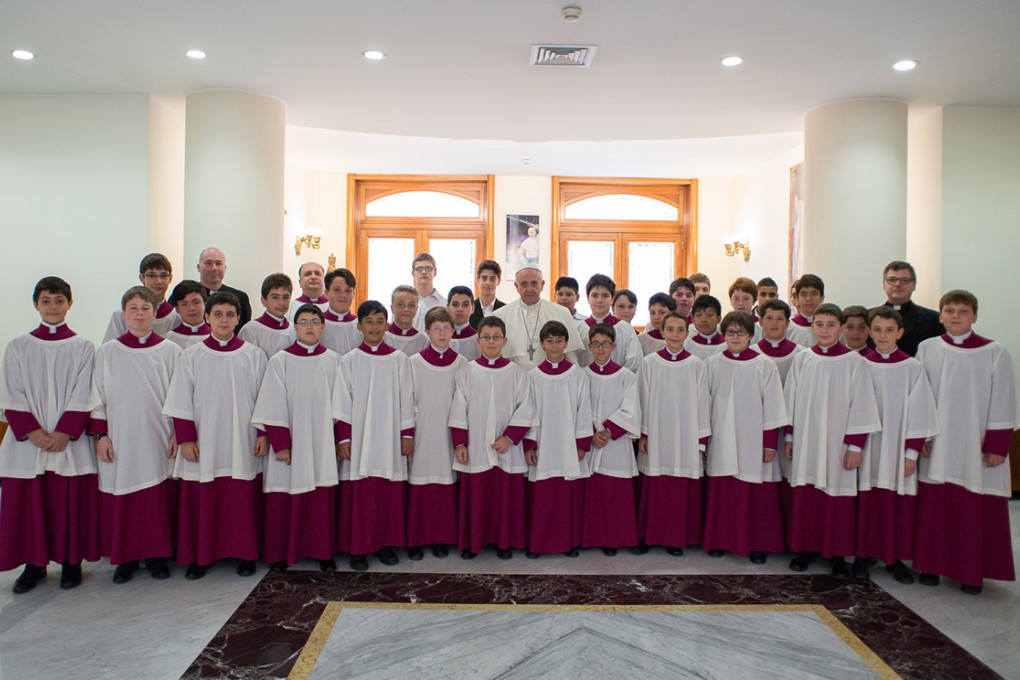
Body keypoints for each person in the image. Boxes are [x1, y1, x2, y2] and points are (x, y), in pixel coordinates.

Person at [0, 277, 99, 593]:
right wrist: (31, 431)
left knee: (68, 502)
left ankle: (71, 563)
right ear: (35, 304)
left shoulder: (83, 347)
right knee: (32, 504)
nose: (53, 306)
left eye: (59, 300)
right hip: (30, 443)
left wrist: (65, 432)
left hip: (66, 441)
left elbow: (85, 391)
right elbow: (10, 391)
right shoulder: (18, 347)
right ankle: (34, 565)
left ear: (69, 304)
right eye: (46, 300)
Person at [914, 290, 1017, 594]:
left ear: (974, 316)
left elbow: (1005, 400)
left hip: (978, 445)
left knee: (973, 508)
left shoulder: (994, 351)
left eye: (962, 311)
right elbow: (920, 396)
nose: (955, 316)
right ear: (940, 315)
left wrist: (998, 445)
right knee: (934, 506)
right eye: (949, 310)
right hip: (939, 441)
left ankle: (972, 573)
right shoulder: (928, 348)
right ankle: (930, 565)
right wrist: (921, 436)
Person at [162, 291, 268, 580]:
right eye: (218, 314)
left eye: (230, 315)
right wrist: (186, 438)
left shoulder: (253, 355)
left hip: (242, 437)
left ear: (238, 319)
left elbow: (263, 399)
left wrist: (262, 434)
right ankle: (202, 555)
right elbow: (181, 399)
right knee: (204, 498)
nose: (224, 320)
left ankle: (246, 554)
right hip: (204, 439)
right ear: (207, 317)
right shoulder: (192, 355)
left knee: (240, 497)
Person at [92, 286, 182, 584]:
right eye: (134, 308)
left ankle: (157, 557)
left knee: (155, 497)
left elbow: (179, 396)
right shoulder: (107, 352)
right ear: (123, 314)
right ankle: (126, 559)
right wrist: (101, 434)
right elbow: (96, 396)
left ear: (155, 314)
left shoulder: (170, 351)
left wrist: (177, 434)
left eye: (145, 308)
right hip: (120, 435)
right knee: (125, 495)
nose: (140, 314)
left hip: (158, 434)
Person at [784, 303, 881, 579]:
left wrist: (855, 446)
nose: (824, 330)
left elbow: (862, 406)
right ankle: (805, 549)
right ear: (811, 328)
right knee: (807, 492)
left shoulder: (854, 362)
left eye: (830, 325)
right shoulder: (803, 359)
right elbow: (791, 399)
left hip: (839, 443)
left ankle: (837, 555)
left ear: (840, 328)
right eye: (819, 325)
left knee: (836, 496)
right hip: (808, 438)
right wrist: (790, 436)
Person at [251, 304, 339, 573]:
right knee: (284, 495)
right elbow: (271, 403)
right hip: (288, 444)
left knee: (320, 494)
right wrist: (281, 444)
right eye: (304, 322)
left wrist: (339, 441)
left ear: (323, 327)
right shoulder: (280, 360)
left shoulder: (334, 360)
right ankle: (279, 554)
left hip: (322, 441)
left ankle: (322, 551)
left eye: (315, 322)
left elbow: (342, 404)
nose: (310, 327)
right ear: (295, 327)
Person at [856, 307, 938, 584]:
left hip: (898, 444)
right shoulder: (858, 363)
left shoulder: (912, 367)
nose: (883, 335)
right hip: (865, 446)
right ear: (869, 332)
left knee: (897, 504)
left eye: (889, 330)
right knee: (866, 502)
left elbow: (921, 412)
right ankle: (862, 556)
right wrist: (853, 446)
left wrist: (912, 452)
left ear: (900, 333)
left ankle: (896, 559)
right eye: (877, 329)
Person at [334, 300, 414, 572]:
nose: (375, 327)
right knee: (361, 492)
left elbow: (407, 399)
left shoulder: (399, 360)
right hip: (360, 438)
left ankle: (386, 544)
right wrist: (344, 438)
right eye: (369, 321)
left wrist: (407, 434)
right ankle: (358, 548)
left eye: (380, 321)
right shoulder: (349, 360)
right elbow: (341, 402)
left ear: (387, 325)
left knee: (387, 492)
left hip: (390, 436)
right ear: (359, 326)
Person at [702, 312, 789, 564]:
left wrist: (770, 443)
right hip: (721, 436)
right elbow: (703, 404)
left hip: (755, 441)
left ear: (751, 335)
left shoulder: (764, 365)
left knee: (755, 494)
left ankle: (757, 543)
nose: (735, 337)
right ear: (724, 335)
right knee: (724, 490)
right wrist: (704, 440)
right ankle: (719, 540)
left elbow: (773, 407)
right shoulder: (713, 363)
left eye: (741, 332)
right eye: (730, 332)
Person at [450, 316, 533, 560]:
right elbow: (458, 407)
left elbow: (526, 406)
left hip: (506, 447)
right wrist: (460, 442)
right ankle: (473, 543)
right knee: (477, 495)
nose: (491, 342)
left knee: (504, 495)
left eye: (496, 337)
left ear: (505, 341)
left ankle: (503, 542)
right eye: (486, 337)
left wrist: (510, 437)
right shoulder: (467, 370)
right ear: (478, 341)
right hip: (475, 445)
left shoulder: (517, 372)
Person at [637, 311, 710, 556]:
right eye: (671, 330)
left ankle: (675, 538)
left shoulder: (697, 365)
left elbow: (703, 404)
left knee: (678, 486)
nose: (676, 335)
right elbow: (643, 399)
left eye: (681, 330)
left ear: (687, 333)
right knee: (655, 483)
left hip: (686, 435)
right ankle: (649, 535)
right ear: (663, 332)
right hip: (656, 433)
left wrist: (701, 441)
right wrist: (644, 434)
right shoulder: (649, 363)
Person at [523, 321, 593, 557]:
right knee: (542, 497)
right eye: (549, 341)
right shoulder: (532, 376)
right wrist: (530, 444)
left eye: (559, 341)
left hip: (568, 444)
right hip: (542, 443)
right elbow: (528, 411)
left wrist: (582, 443)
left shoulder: (578, 375)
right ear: (541, 344)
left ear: (566, 343)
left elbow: (585, 410)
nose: (554, 346)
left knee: (566, 496)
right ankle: (538, 544)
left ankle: (568, 542)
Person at [406, 307, 467, 561]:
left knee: (445, 483)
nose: (442, 334)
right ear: (427, 331)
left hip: (449, 432)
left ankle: (442, 538)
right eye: (436, 329)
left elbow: (465, 401)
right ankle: (416, 539)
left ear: (453, 332)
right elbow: (407, 399)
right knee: (420, 483)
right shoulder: (413, 362)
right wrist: (409, 431)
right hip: (423, 431)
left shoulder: (462, 364)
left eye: (446, 329)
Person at [581, 324, 641, 556]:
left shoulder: (626, 376)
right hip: (592, 441)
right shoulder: (582, 375)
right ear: (590, 347)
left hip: (616, 442)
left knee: (615, 492)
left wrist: (608, 430)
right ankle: (591, 537)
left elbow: (631, 408)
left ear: (614, 346)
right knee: (594, 492)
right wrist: (591, 433)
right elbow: (578, 408)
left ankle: (613, 538)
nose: (601, 348)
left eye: (606, 343)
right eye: (596, 343)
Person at [494, 267, 584, 369]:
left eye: (534, 283)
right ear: (516, 286)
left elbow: (571, 356)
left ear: (542, 285)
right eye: (524, 284)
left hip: (552, 378)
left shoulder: (561, 313)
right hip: (515, 379)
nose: (529, 289)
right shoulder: (500, 315)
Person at [102, 253, 178, 342]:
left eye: (163, 275)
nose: (158, 281)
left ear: (170, 278)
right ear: (142, 278)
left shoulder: (176, 317)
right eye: (152, 275)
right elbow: (110, 350)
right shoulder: (121, 315)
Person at [875, 260, 944, 357]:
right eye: (892, 279)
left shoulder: (933, 319)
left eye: (904, 280)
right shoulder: (868, 317)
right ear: (884, 284)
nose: (897, 284)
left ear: (914, 285)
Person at [577, 274, 641, 372]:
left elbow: (634, 362)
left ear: (612, 299)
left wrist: (617, 379)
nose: (599, 300)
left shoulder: (625, 329)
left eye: (605, 296)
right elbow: (575, 361)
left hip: (619, 384)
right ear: (587, 299)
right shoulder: (580, 328)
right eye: (594, 295)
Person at [239, 273, 296, 358]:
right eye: (275, 297)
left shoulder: (295, 329)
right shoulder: (250, 330)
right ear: (263, 301)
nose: (281, 303)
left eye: (286, 297)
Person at [196, 247, 251, 330]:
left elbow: (244, 330)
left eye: (218, 264)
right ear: (199, 267)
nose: (214, 268)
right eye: (208, 263)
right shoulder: (187, 296)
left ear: (225, 268)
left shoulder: (240, 298)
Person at [321, 268, 362, 356]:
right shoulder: (317, 323)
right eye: (337, 290)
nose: (343, 295)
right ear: (326, 293)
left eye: (348, 290)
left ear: (353, 294)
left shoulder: (361, 325)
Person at [386, 285, 429, 356]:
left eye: (411, 305)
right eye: (400, 304)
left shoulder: (424, 341)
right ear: (392, 308)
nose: (406, 309)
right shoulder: (382, 338)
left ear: (416, 309)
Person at [166, 280, 210, 349]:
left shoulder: (217, 337)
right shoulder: (168, 339)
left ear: (205, 304)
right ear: (177, 309)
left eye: (196, 302)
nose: (191, 308)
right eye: (184, 304)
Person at [410, 253, 447, 331]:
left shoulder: (445, 304)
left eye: (428, 268)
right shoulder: (404, 304)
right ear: (413, 273)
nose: (424, 272)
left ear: (435, 272)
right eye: (419, 268)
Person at [786, 274, 825, 347]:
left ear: (822, 297)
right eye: (803, 294)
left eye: (814, 294)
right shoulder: (787, 327)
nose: (808, 299)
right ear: (797, 298)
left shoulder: (830, 327)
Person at [685, 294, 725, 361]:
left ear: (719, 319)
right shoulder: (686, 345)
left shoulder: (727, 344)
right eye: (698, 315)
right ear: (693, 319)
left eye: (709, 315)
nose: (703, 320)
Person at [469, 260, 506, 329]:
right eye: (484, 278)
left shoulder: (505, 310)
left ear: (498, 281)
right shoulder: (469, 309)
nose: (488, 283)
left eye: (492, 279)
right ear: (478, 280)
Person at [447, 285, 480, 361]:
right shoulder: (439, 338)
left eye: (465, 305)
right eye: (455, 304)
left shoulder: (479, 341)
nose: (460, 309)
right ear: (447, 307)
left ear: (473, 308)